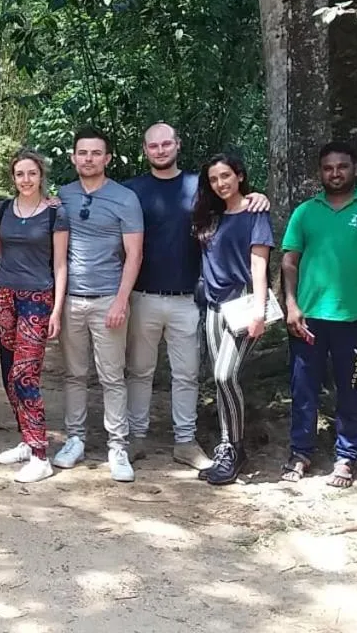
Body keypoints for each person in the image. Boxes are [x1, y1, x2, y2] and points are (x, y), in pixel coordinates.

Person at [124, 122, 266, 471]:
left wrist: (258, 197)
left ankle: (185, 442)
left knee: (186, 373)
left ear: (178, 145)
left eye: (166, 143)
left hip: (189, 298)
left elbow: (232, 203)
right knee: (140, 370)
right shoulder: (131, 191)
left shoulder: (198, 188)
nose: (160, 150)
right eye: (153, 145)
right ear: (145, 150)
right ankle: (136, 437)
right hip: (143, 295)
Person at [281, 142, 357, 489]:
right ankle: (300, 452)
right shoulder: (305, 212)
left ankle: (346, 456)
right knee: (303, 389)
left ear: (355, 169)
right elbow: (289, 260)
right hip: (308, 319)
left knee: (350, 391)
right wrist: (291, 304)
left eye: (342, 167)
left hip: (356, 320)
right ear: (320, 172)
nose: (335, 173)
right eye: (328, 168)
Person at [55, 128, 143, 481]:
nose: (88, 158)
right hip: (72, 299)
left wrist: (121, 301)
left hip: (109, 298)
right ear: (74, 157)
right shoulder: (62, 197)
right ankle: (74, 439)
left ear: (107, 158)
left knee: (111, 376)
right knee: (74, 374)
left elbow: (134, 254)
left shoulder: (125, 198)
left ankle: (117, 446)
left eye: (95, 153)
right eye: (82, 153)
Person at [190, 153, 274, 485]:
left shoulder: (256, 213)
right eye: (214, 179)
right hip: (212, 307)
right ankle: (227, 447)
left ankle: (236, 448)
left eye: (226, 176)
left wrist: (259, 311)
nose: (220, 184)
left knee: (226, 375)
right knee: (220, 379)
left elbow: (259, 265)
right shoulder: (208, 216)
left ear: (239, 175)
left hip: (243, 304)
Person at [0, 148, 69, 483]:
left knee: (26, 375)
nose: (26, 180)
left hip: (38, 297)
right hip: (5, 294)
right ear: (13, 177)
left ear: (41, 175)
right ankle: (25, 438)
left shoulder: (54, 214)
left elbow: (61, 264)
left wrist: (57, 309)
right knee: (9, 373)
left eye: (31, 173)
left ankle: (39, 454)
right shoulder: (2, 209)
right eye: (20, 174)